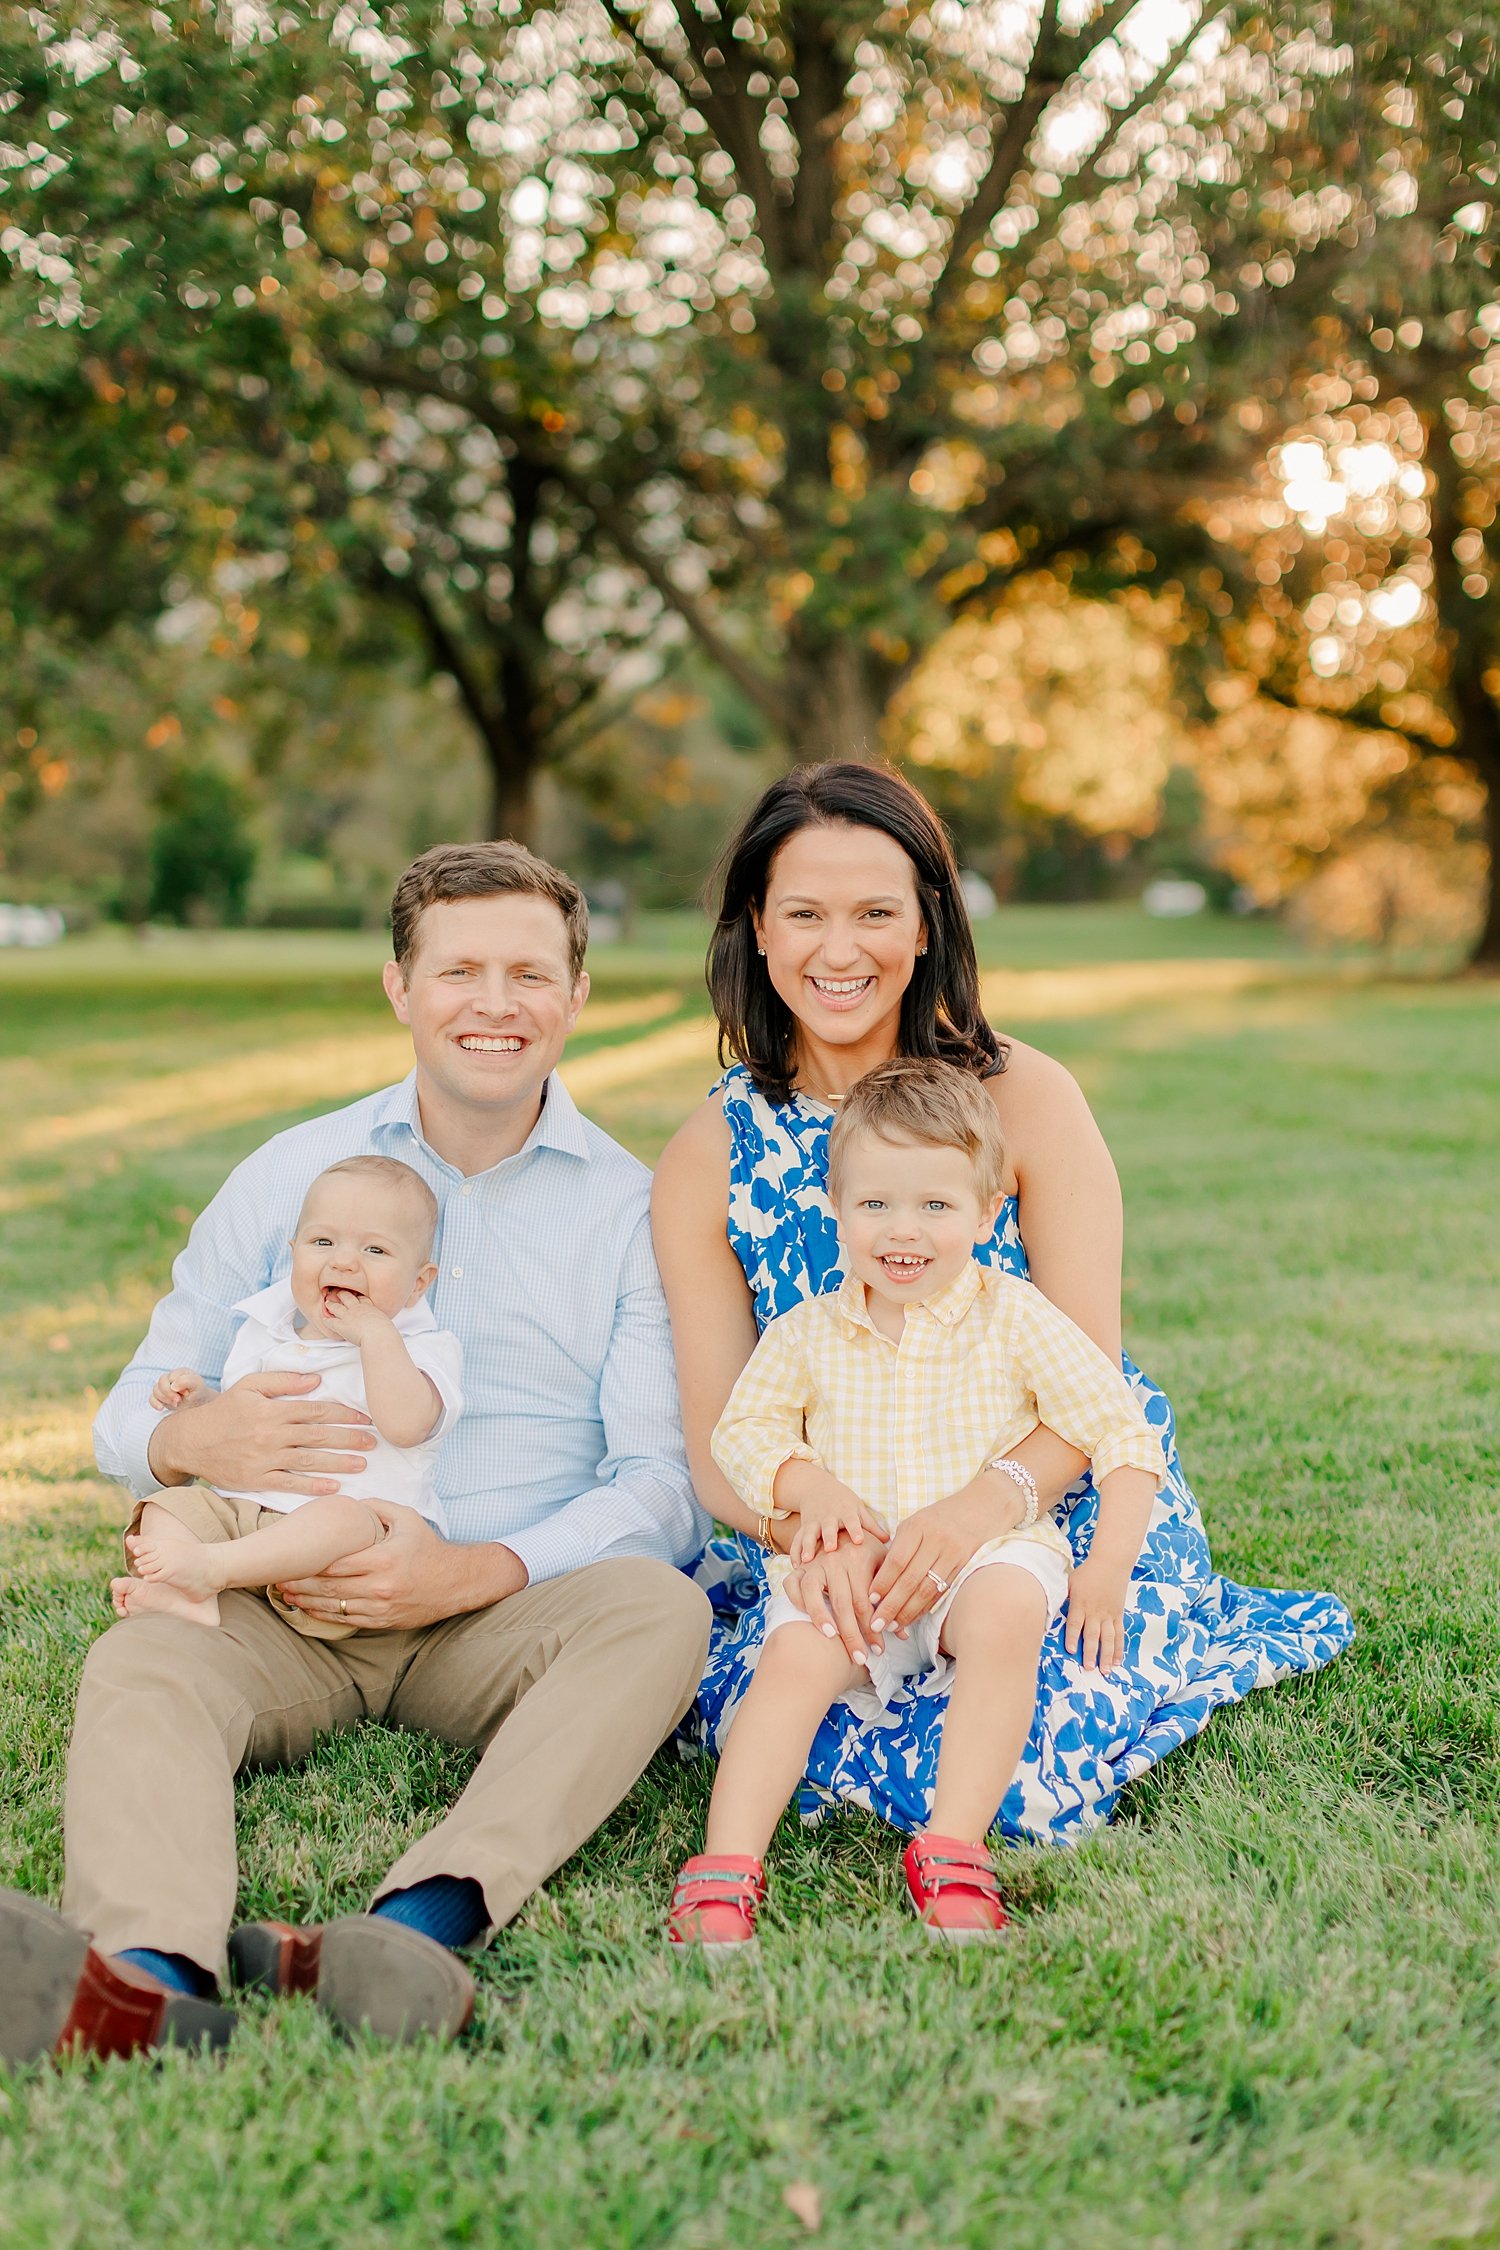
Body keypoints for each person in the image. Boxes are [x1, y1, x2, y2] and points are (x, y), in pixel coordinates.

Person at [0, 841, 711, 2067]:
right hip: (278, 1595)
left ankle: (418, 1923)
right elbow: (127, 1413)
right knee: (144, 1658)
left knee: (658, 1608)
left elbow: (663, 1482)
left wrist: (479, 1569)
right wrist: (187, 1436)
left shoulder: (633, 1213)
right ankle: (148, 1979)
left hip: (494, 1619)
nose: (496, 1005)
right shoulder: (288, 1173)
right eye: (459, 971)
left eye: (531, 975)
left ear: (579, 995)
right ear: (399, 987)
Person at [652, 761, 1352, 1850]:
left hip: (1043, 1502)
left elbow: (1091, 1383)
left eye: (877, 912)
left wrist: (986, 1508)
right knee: (793, 1700)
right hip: (828, 1524)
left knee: (1022, 1760)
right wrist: (817, 1537)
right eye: (805, 914)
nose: (841, 951)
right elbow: (718, 1447)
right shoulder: (707, 1155)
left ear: (929, 924)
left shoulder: (1026, 1097)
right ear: (756, 926)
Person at [667, 1060, 1167, 1948]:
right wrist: (807, 1489)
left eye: (937, 1207)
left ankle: (951, 1847)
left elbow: (1121, 1433)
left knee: (1009, 1612)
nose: (905, 1232)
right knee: (793, 1665)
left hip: (986, 1556)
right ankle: (726, 1867)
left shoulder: (1014, 1316)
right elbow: (740, 1434)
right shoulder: (808, 1332)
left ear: (985, 1215)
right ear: (837, 1208)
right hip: (856, 1567)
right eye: (877, 1206)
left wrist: (1105, 1570)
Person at [115, 1154, 461, 1634]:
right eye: (323, 1242)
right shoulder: (265, 1331)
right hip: (243, 1516)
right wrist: (204, 1404)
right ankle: (190, 1596)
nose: (343, 1261)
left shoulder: (424, 1350)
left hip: (338, 1557)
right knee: (165, 1507)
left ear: (418, 1283)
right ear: (294, 1251)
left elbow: (407, 1425)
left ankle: (213, 1570)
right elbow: (243, 1426)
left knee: (344, 1518)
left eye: (376, 1251)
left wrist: (376, 1336)